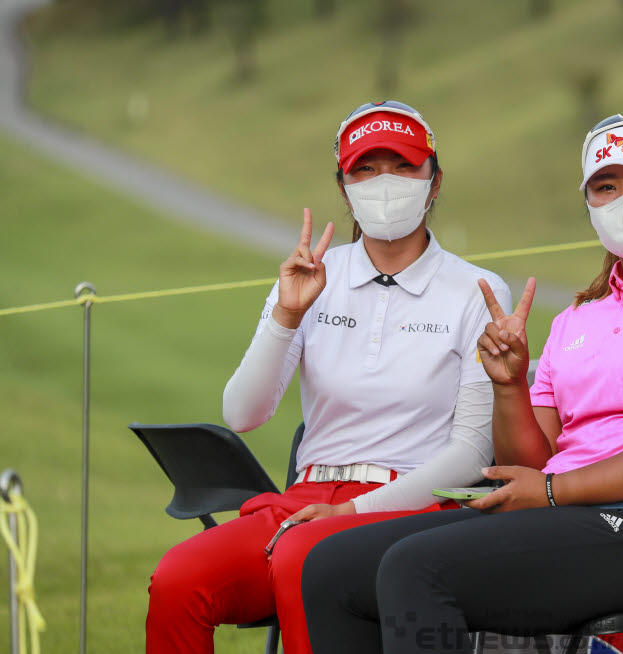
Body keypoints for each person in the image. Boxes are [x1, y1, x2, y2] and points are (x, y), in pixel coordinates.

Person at [299, 111, 623, 654]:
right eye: (606, 186)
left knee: (418, 568)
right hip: (565, 516)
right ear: (589, 203)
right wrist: (509, 387)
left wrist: (554, 491)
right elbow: (533, 462)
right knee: (331, 565)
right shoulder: (578, 318)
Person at [144, 100, 512, 654]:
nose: (384, 183)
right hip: (307, 496)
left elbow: (471, 452)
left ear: (434, 182)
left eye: (403, 167)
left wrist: (354, 511)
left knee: (302, 559)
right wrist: (287, 314)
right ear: (343, 186)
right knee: (179, 580)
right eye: (365, 169)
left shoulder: (477, 290)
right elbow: (242, 414)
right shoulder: (314, 274)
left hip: (412, 503)